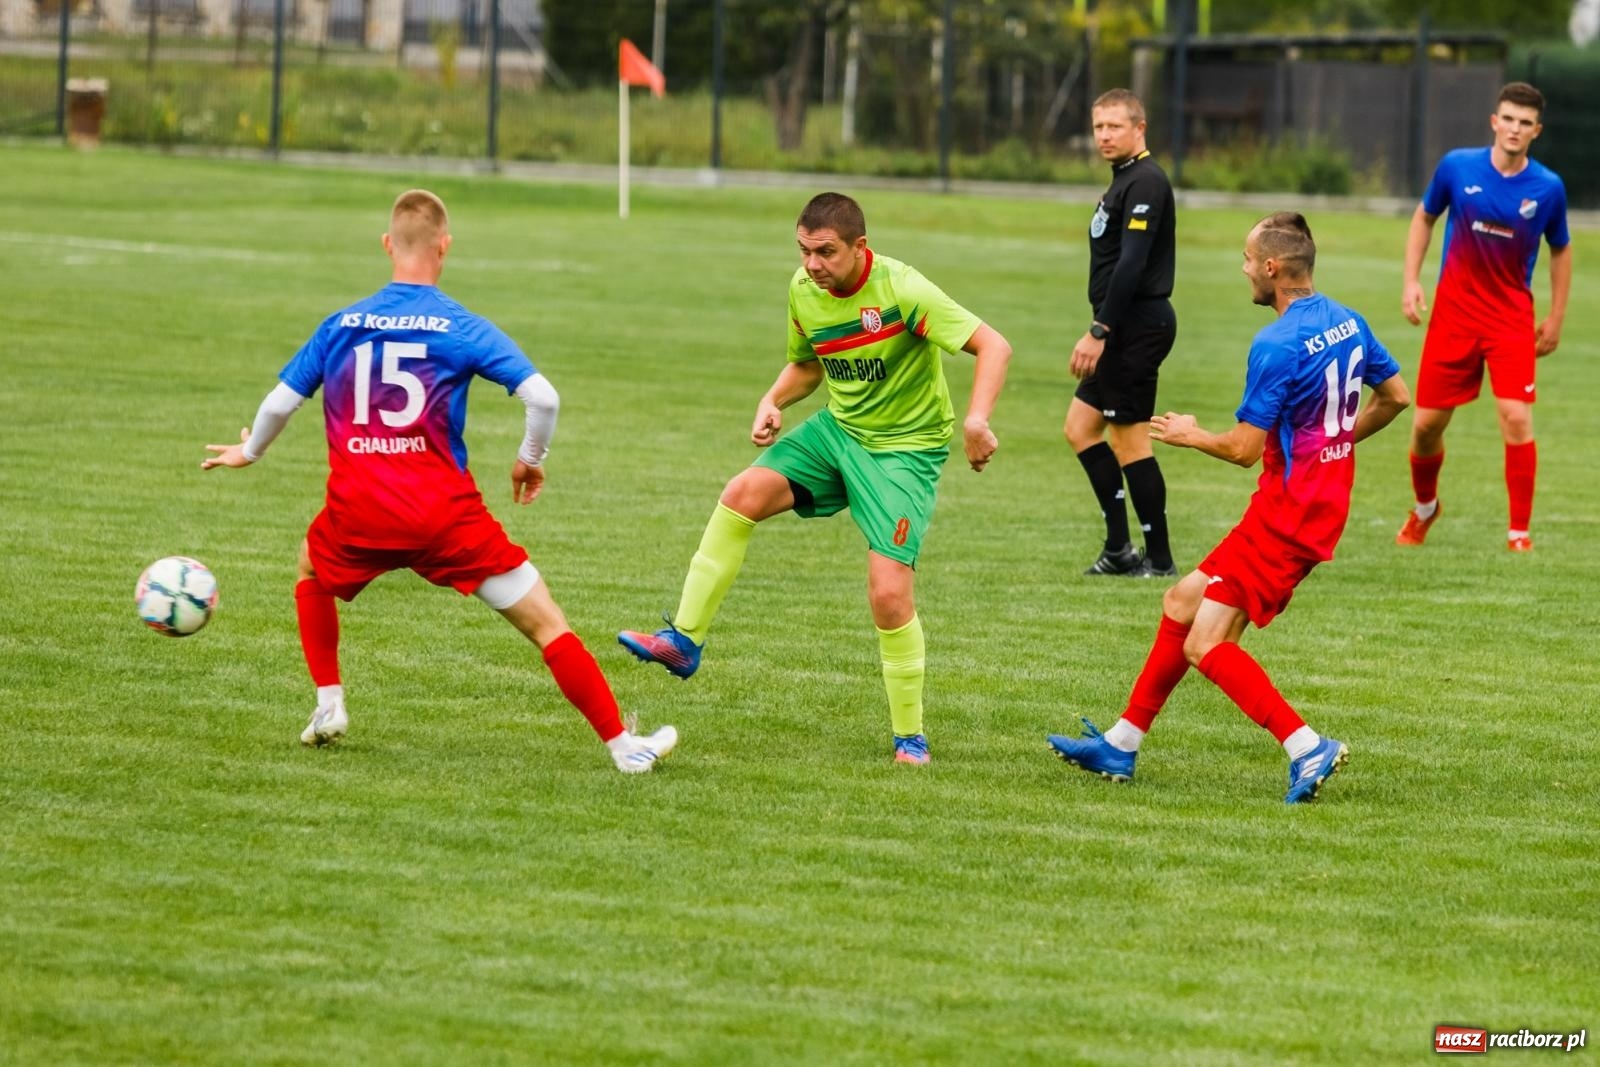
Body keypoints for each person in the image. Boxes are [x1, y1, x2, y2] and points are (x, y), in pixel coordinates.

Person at [201, 189, 677, 773]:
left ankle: (329, 705)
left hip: (358, 512)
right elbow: (543, 397)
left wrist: (250, 451)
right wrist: (529, 458)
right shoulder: (460, 326)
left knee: (310, 567)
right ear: (444, 246)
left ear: (387, 245)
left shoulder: (341, 324)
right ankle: (623, 747)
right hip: (443, 518)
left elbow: (280, 403)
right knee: (546, 623)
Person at [618, 191, 1012, 766]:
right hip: (838, 432)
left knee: (888, 594)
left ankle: (910, 738)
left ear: (860, 247)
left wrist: (977, 421)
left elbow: (993, 345)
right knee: (741, 495)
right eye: (804, 251)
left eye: (825, 252)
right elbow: (808, 364)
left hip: (903, 452)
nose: (812, 264)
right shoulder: (804, 289)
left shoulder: (903, 289)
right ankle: (684, 641)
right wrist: (773, 399)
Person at [1046, 212, 1410, 803]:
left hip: (1288, 516)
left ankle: (1306, 746)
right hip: (1310, 505)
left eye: (1246, 260)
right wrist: (1334, 443)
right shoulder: (1348, 320)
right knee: (1181, 601)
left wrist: (1191, 434)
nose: (1243, 270)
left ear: (1272, 267)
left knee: (1206, 644)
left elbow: (1243, 450)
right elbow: (1395, 396)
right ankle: (1122, 742)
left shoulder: (1276, 344)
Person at [1396, 81, 1571, 553]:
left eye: (1525, 122)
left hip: (1510, 319)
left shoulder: (1548, 188)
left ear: (1536, 131)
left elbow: (1561, 249)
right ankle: (1425, 508)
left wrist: (1555, 316)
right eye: (1508, 118)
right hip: (1453, 316)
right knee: (1426, 427)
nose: (1515, 128)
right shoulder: (1457, 167)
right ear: (1495, 121)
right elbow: (1424, 216)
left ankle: (1519, 534)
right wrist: (1411, 280)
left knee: (1516, 418)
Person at [1067, 88, 1179, 579]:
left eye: (1115, 126)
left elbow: (1132, 263)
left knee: (1131, 443)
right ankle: (1118, 549)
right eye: (1099, 127)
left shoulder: (1146, 181)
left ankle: (1160, 559)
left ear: (1140, 128)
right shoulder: (1124, 180)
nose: (1105, 135)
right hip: (1122, 327)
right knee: (1080, 429)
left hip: (1135, 327)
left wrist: (1099, 329)